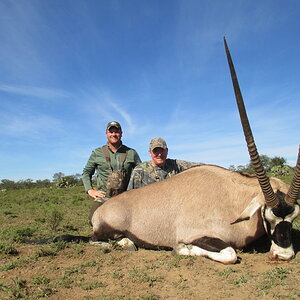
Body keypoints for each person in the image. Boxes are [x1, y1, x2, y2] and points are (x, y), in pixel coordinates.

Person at [82, 121, 141, 222]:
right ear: (106, 134)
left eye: (116, 132)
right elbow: (86, 173)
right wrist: (90, 190)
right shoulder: (97, 153)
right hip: (104, 196)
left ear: (121, 133)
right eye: (111, 132)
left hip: (126, 196)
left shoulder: (131, 152)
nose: (114, 134)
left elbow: (141, 172)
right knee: (94, 221)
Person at [127, 137, 201, 190]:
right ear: (150, 153)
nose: (159, 154)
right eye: (155, 151)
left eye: (162, 150)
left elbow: (198, 166)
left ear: (167, 151)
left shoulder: (175, 165)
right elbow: (130, 197)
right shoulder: (139, 171)